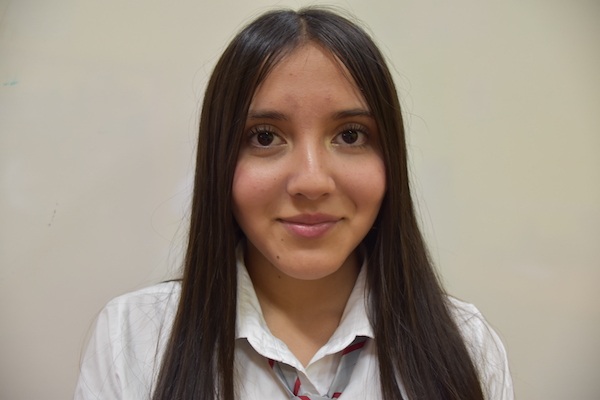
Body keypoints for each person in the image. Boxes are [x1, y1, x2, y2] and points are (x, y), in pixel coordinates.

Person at [75, 7, 513, 400]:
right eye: (265, 137)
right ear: (219, 161)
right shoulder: (132, 338)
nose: (311, 181)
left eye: (350, 135)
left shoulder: (467, 345)